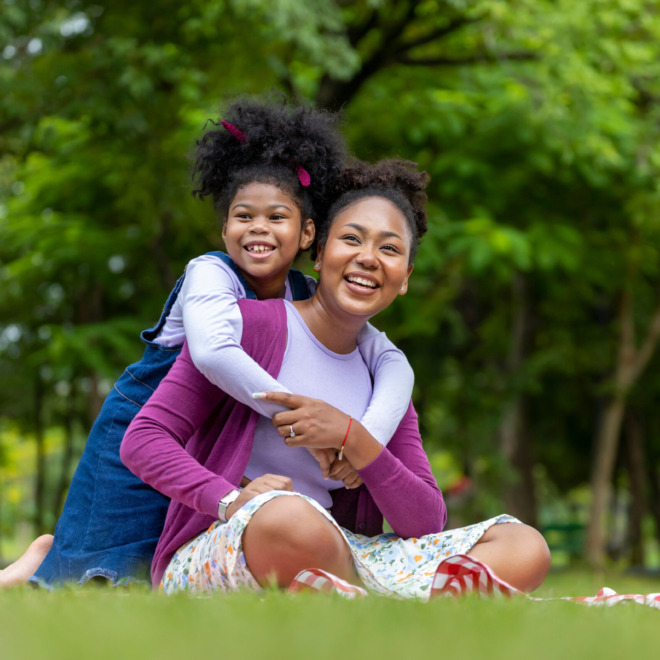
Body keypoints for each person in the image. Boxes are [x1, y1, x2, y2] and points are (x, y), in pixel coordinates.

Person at [0, 99, 415, 589]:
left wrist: (355, 436)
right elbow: (214, 353)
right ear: (224, 229)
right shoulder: (210, 275)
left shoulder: (308, 295)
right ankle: (30, 574)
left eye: (276, 216)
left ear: (307, 235)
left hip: (208, 440)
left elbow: (391, 362)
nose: (259, 227)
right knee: (103, 568)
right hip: (148, 423)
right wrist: (298, 416)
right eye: (244, 216)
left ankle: (37, 566)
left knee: (158, 562)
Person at [121, 160, 551, 598]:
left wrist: (353, 437)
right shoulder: (246, 328)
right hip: (231, 541)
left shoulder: (383, 377)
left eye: (389, 249)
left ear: (404, 279)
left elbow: (424, 522)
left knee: (524, 545)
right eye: (351, 239)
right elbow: (144, 439)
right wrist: (232, 499)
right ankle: (405, 605)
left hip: (346, 550)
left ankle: (365, 602)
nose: (368, 258)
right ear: (320, 251)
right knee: (287, 518)